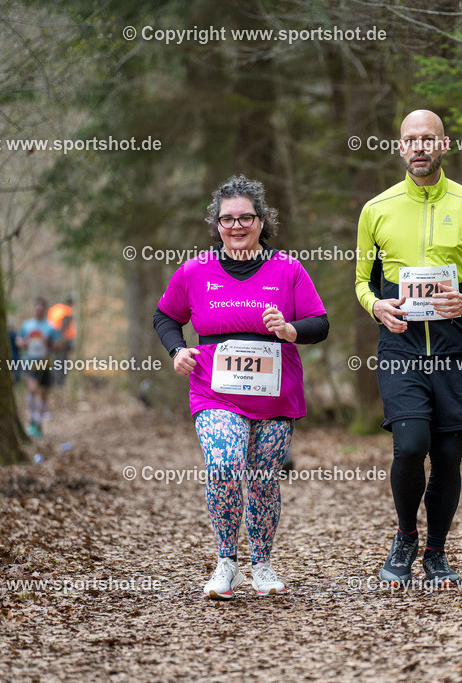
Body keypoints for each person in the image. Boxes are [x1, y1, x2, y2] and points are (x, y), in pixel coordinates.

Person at [154, 175, 328, 600]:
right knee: (224, 465)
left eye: (245, 218)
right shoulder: (195, 270)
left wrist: (289, 329)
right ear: (216, 224)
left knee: (264, 479)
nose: (236, 226)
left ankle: (262, 564)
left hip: (275, 394)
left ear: (261, 221)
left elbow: (320, 324)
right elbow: (165, 316)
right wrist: (177, 350)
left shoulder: (288, 269)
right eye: (227, 219)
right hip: (215, 391)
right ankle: (227, 563)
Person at [355, 109, 462, 587]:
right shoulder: (377, 209)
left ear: (444, 145)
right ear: (400, 147)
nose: (419, 147)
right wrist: (376, 306)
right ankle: (405, 537)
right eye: (411, 140)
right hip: (400, 346)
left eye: (428, 139)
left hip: (454, 346)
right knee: (410, 446)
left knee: (447, 455)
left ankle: (436, 553)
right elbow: (361, 283)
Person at [17, 298, 61, 437]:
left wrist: (49, 343)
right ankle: (32, 419)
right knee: (32, 389)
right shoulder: (27, 325)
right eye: (37, 308)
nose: (39, 311)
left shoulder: (51, 327)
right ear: (34, 309)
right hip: (29, 361)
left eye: (41, 308)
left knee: (43, 393)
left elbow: (58, 346)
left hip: (45, 363)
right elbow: (19, 341)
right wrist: (25, 343)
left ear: (44, 310)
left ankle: (39, 423)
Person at [47, 298, 76, 386]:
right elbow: (64, 325)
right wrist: (62, 340)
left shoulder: (55, 309)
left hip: (52, 339)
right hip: (63, 340)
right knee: (61, 361)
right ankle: (59, 383)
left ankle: (53, 381)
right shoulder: (67, 311)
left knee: (55, 361)